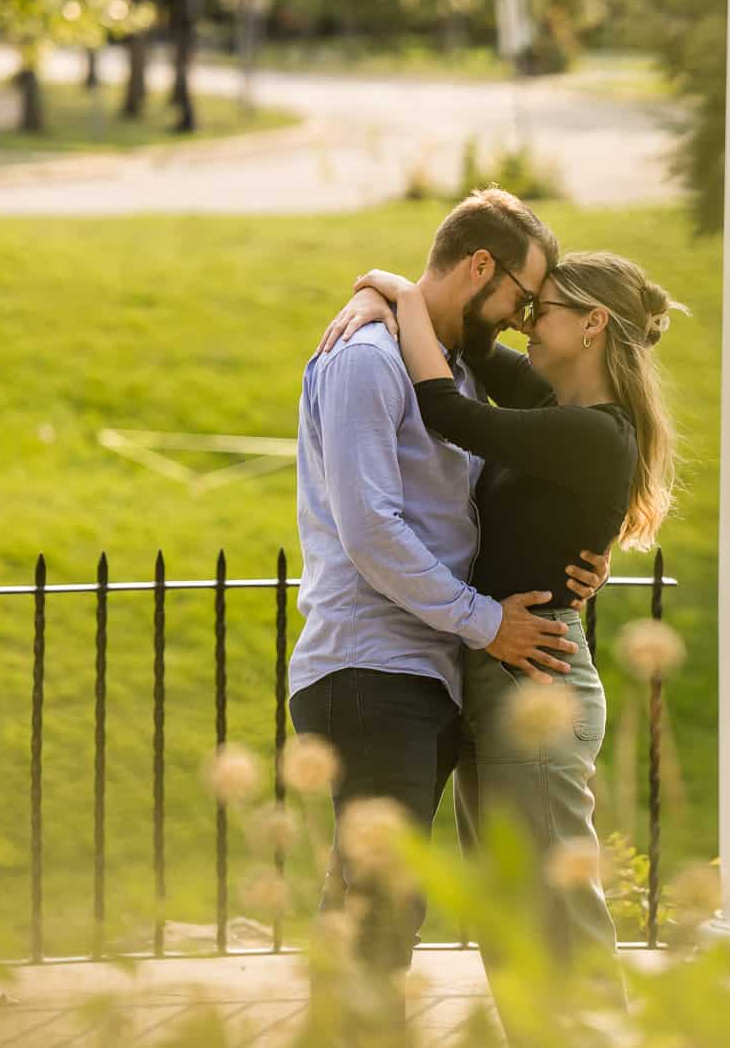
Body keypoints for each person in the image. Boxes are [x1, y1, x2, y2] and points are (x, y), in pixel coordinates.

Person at [320, 248, 683, 1038]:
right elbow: (471, 343)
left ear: (592, 325)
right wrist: (397, 290)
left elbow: (451, 410)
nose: (526, 321)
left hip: (536, 684)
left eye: (542, 309)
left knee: (559, 924)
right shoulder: (556, 411)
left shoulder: (594, 433)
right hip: (497, 680)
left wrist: (388, 290)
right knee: (515, 928)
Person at [287, 189, 611, 1035]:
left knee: (378, 901)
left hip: (427, 669)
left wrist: (580, 543)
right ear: (479, 268)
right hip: (370, 666)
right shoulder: (367, 360)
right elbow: (371, 532)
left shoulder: (450, 361)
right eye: (519, 298)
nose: (521, 318)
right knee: (382, 906)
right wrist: (485, 620)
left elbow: (509, 485)